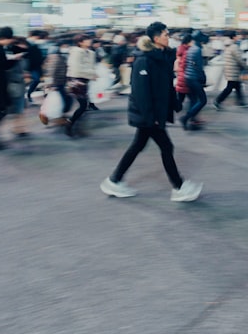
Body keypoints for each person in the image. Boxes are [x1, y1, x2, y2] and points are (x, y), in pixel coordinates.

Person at [100, 21, 202, 202]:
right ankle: (178, 187)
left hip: (154, 113)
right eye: (165, 34)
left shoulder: (162, 57)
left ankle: (114, 180)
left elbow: (165, 85)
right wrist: (151, 117)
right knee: (166, 147)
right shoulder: (144, 60)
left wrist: (175, 104)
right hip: (148, 114)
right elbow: (141, 93)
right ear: (156, 38)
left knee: (138, 145)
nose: (168, 37)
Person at [65, 33, 97, 136]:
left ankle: (74, 125)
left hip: (85, 80)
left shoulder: (91, 53)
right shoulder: (76, 53)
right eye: (87, 40)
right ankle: (70, 124)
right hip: (76, 80)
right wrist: (91, 74)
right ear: (80, 42)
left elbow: (91, 67)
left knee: (83, 105)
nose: (90, 41)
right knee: (83, 105)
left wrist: (92, 74)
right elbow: (76, 69)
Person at [180, 30, 208, 130]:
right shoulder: (197, 50)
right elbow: (198, 67)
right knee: (203, 100)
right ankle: (186, 118)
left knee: (193, 100)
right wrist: (203, 78)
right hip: (194, 78)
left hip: (188, 77)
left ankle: (192, 121)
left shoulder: (191, 49)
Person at [214, 31, 248, 109]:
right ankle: (218, 100)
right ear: (233, 37)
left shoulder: (227, 46)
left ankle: (240, 101)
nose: (238, 37)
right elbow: (239, 59)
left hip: (230, 69)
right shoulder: (234, 47)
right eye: (237, 36)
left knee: (237, 86)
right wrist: (245, 66)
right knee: (229, 88)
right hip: (233, 70)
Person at [24, 29, 48, 106]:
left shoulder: (34, 44)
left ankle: (30, 94)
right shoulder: (27, 44)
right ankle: (28, 94)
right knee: (36, 80)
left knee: (39, 80)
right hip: (31, 66)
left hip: (37, 65)